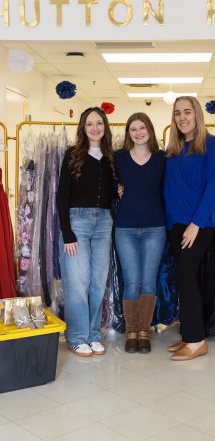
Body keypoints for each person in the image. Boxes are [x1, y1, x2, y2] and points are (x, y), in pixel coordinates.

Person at [164, 96, 215, 361]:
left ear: (197, 114)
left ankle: (197, 341)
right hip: (176, 225)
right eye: (177, 113)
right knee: (186, 278)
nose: (182, 117)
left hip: (198, 225)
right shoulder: (173, 148)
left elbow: (214, 187)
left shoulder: (211, 144)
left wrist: (196, 224)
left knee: (186, 276)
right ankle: (189, 334)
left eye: (187, 112)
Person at [57, 107, 116, 357]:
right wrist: (67, 233)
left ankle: (92, 334)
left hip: (104, 222)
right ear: (83, 127)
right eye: (90, 124)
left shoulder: (111, 156)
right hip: (77, 221)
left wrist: (117, 192)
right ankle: (76, 336)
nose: (95, 128)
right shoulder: (73, 155)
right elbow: (61, 196)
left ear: (105, 127)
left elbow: (108, 194)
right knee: (77, 282)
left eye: (99, 124)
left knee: (97, 281)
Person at [115, 112, 166, 354]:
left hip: (155, 227)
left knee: (148, 281)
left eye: (142, 128)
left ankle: (144, 331)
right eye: (133, 129)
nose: (137, 133)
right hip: (125, 227)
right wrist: (116, 191)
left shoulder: (162, 158)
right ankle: (131, 331)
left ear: (150, 130)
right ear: (128, 133)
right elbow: (103, 184)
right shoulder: (118, 158)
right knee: (132, 281)